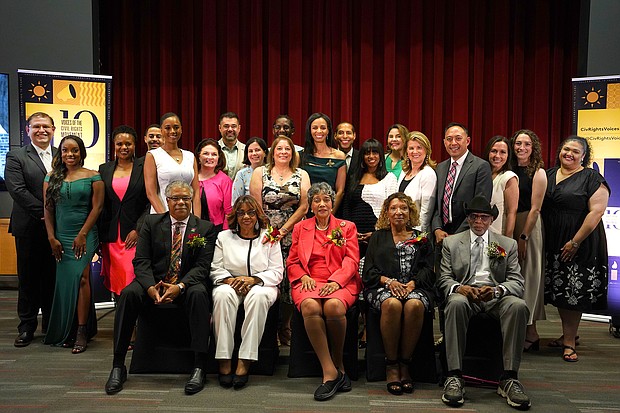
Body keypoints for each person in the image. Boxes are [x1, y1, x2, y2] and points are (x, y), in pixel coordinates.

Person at [105, 181, 217, 396]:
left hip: (185, 284)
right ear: (167, 201)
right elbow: (141, 261)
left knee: (200, 294)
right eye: (176, 198)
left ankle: (199, 366)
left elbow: (202, 267)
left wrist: (180, 286)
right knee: (128, 294)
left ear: (192, 200)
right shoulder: (151, 222)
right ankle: (118, 365)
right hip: (154, 282)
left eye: (186, 198)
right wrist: (149, 288)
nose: (181, 202)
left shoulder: (204, 228)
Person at [437, 195, 531, 410]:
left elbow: (517, 281)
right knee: (455, 303)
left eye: (484, 217)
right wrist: (460, 288)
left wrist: (498, 290)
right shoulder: (451, 243)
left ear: (491, 220)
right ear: (468, 219)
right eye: (474, 217)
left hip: (496, 295)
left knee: (518, 306)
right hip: (466, 293)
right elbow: (444, 279)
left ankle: (509, 377)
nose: (479, 222)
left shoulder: (507, 244)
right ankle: (454, 376)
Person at [287, 182, 362, 401]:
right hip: (308, 279)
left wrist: (337, 282)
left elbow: (351, 259)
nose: (322, 204)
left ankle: (338, 363)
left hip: (340, 281)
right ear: (310, 206)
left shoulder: (347, 227)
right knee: (310, 305)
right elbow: (292, 261)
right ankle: (330, 369)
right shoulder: (301, 227)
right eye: (317, 200)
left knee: (334, 306)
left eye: (326, 199)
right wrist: (303, 276)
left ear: (332, 203)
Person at [542, 136, 610, 362]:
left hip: (580, 241)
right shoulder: (549, 174)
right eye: (565, 149)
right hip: (553, 239)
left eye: (575, 151)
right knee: (561, 291)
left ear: (584, 156)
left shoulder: (592, 178)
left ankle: (569, 342)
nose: (569, 153)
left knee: (573, 292)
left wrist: (575, 241)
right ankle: (566, 335)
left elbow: (596, 212)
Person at [362, 192, 434, 395]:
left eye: (403, 208)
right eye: (393, 208)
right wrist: (389, 282)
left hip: (415, 287)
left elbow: (428, 270)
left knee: (414, 305)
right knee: (392, 304)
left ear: (410, 212)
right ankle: (392, 364)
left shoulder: (421, 238)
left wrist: (412, 284)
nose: (398, 212)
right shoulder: (378, 237)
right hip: (381, 287)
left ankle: (405, 363)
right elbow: (368, 272)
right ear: (386, 212)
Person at [210, 196, 284, 389]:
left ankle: (245, 359)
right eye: (241, 212)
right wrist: (231, 280)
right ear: (235, 215)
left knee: (257, 297)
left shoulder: (269, 237)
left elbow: (277, 271)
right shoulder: (224, 237)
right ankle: (224, 358)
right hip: (231, 284)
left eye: (251, 212)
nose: (246, 217)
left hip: (262, 285)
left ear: (258, 215)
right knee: (222, 295)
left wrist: (254, 280)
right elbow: (215, 268)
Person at [42, 135, 104, 353]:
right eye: (66, 150)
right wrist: (51, 237)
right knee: (65, 282)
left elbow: (97, 209)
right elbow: (48, 210)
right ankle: (66, 330)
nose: (70, 154)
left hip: (85, 235)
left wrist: (83, 234)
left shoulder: (94, 177)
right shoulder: (51, 177)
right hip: (61, 236)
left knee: (83, 279)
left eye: (75, 150)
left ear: (81, 152)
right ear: (61, 153)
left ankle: (81, 330)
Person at [250, 135, 310, 346]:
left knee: (288, 280)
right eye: (279, 149)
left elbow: (304, 206)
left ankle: (286, 326)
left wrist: (283, 230)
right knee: (269, 279)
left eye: (288, 149)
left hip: (293, 234)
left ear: (293, 153)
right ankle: (270, 329)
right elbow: (256, 204)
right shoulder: (260, 172)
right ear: (272, 152)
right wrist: (270, 231)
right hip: (266, 233)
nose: (283, 152)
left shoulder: (301, 174)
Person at [5, 112, 57, 347]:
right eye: (36, 126)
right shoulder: (16, 156)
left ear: (53, 130)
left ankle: (50, 325)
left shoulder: (62, 155)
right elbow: (17, 190)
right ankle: (26, 326)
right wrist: (46, 214)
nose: (42, 130)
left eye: (46, 126)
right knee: (28, 278)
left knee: (51, 278)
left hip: (57, 230)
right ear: (28, 130)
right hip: (29, 227)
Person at [98, 125, 149, 296]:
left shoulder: (144, 167)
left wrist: (138, 229)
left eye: (128, 144)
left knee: (131, 278)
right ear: (114, 145)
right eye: (120, 144)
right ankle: (122, 320)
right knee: (116, 279)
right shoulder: (104, 169)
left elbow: (150, 202)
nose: (124, 147)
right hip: (111, 235)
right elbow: (100, 202)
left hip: (133, 235)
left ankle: (134, 320)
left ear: (135, 145)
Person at [510, 129, 546, 350]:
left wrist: (523, 237)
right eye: (518, 144)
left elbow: (536, 209)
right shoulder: (509, 168)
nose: (521, 148)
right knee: (514, 276)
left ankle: (530, 331)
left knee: (529, 277)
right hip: (511, 224)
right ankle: (524, 331)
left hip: (529, 227)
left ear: (534, 148)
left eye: (527, 144)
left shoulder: (538, 172)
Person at [432, 122, 493, 253]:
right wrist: (437, 229)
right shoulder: (440, 168)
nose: (453, 143)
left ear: (468, 141)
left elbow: (481, 205)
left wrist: (459, 234)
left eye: (458, 138)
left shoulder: (481, 166)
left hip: (468, 234)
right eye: (449, 139)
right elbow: (437, 204)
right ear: (444, 142)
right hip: (442, 236)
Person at [343, 138, 397, 257]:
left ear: (381, 155)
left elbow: (392, 209)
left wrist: (376, 233)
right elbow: (347, 206)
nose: (371, 156)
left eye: (375, 152)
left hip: (379, 237)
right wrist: (350, 232)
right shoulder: (353, 178)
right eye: (367, 153)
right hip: (353, 237)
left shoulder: (390, 178)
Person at [144, 112, 201, 215]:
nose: (172, 131)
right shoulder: (153, 155)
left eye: (176, 127)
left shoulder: (190, 156)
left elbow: (196, 192)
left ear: (181, 129)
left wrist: (197, 220)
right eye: (167, 128)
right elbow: (151, 193)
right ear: (161, 130)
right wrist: (165, 219)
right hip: (162, 216)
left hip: (187, 215)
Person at [300, 113, 347, 212]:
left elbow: (340, 191)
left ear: (328, 130)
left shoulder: (339, 156)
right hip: (305, 211)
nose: (319, 131)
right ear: (309, 131)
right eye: (315, 128)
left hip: (329, 210)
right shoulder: (300, 156)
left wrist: (329, 213)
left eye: (323, 128)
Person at [397, 131, 437, 232]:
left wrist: (417, 235)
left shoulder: (428, 174)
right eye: (411, 148)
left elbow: (426, 212)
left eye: (419, 147)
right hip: (400, 228)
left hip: (416, 232)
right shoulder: (404, 171)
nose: (415, 151)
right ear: (406, 151)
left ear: (426, 150)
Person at [195, 138, 233, 232]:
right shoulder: (191, 177)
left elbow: (229, 211)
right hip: (193, 229)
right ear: (198, 156)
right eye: (206, 153)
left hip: (217, 230)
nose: (210, 157)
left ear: (218, 158)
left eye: (214, 154)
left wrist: (225, 233)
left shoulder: (225, 180)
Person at [484, 135, 518, 237]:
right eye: (494, 151)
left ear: (508, 156)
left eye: (503, 152)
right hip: (480, 233)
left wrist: (507, 241)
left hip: (499, 234)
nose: (497, 156)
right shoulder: (482, 175)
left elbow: (512, 212)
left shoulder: (509, 177)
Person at [232, 137, 268, 204]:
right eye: (250, 151)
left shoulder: (273, 171)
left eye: (257, 150)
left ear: (265, 152)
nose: (254, 153)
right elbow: (236, 202)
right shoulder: (241, 174)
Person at [218, 112, 246, 180]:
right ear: (220, 128)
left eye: (233, 126)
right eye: (226, 126)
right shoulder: (212, 150)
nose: (230, 129)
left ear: (239, 128)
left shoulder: (247, 150)